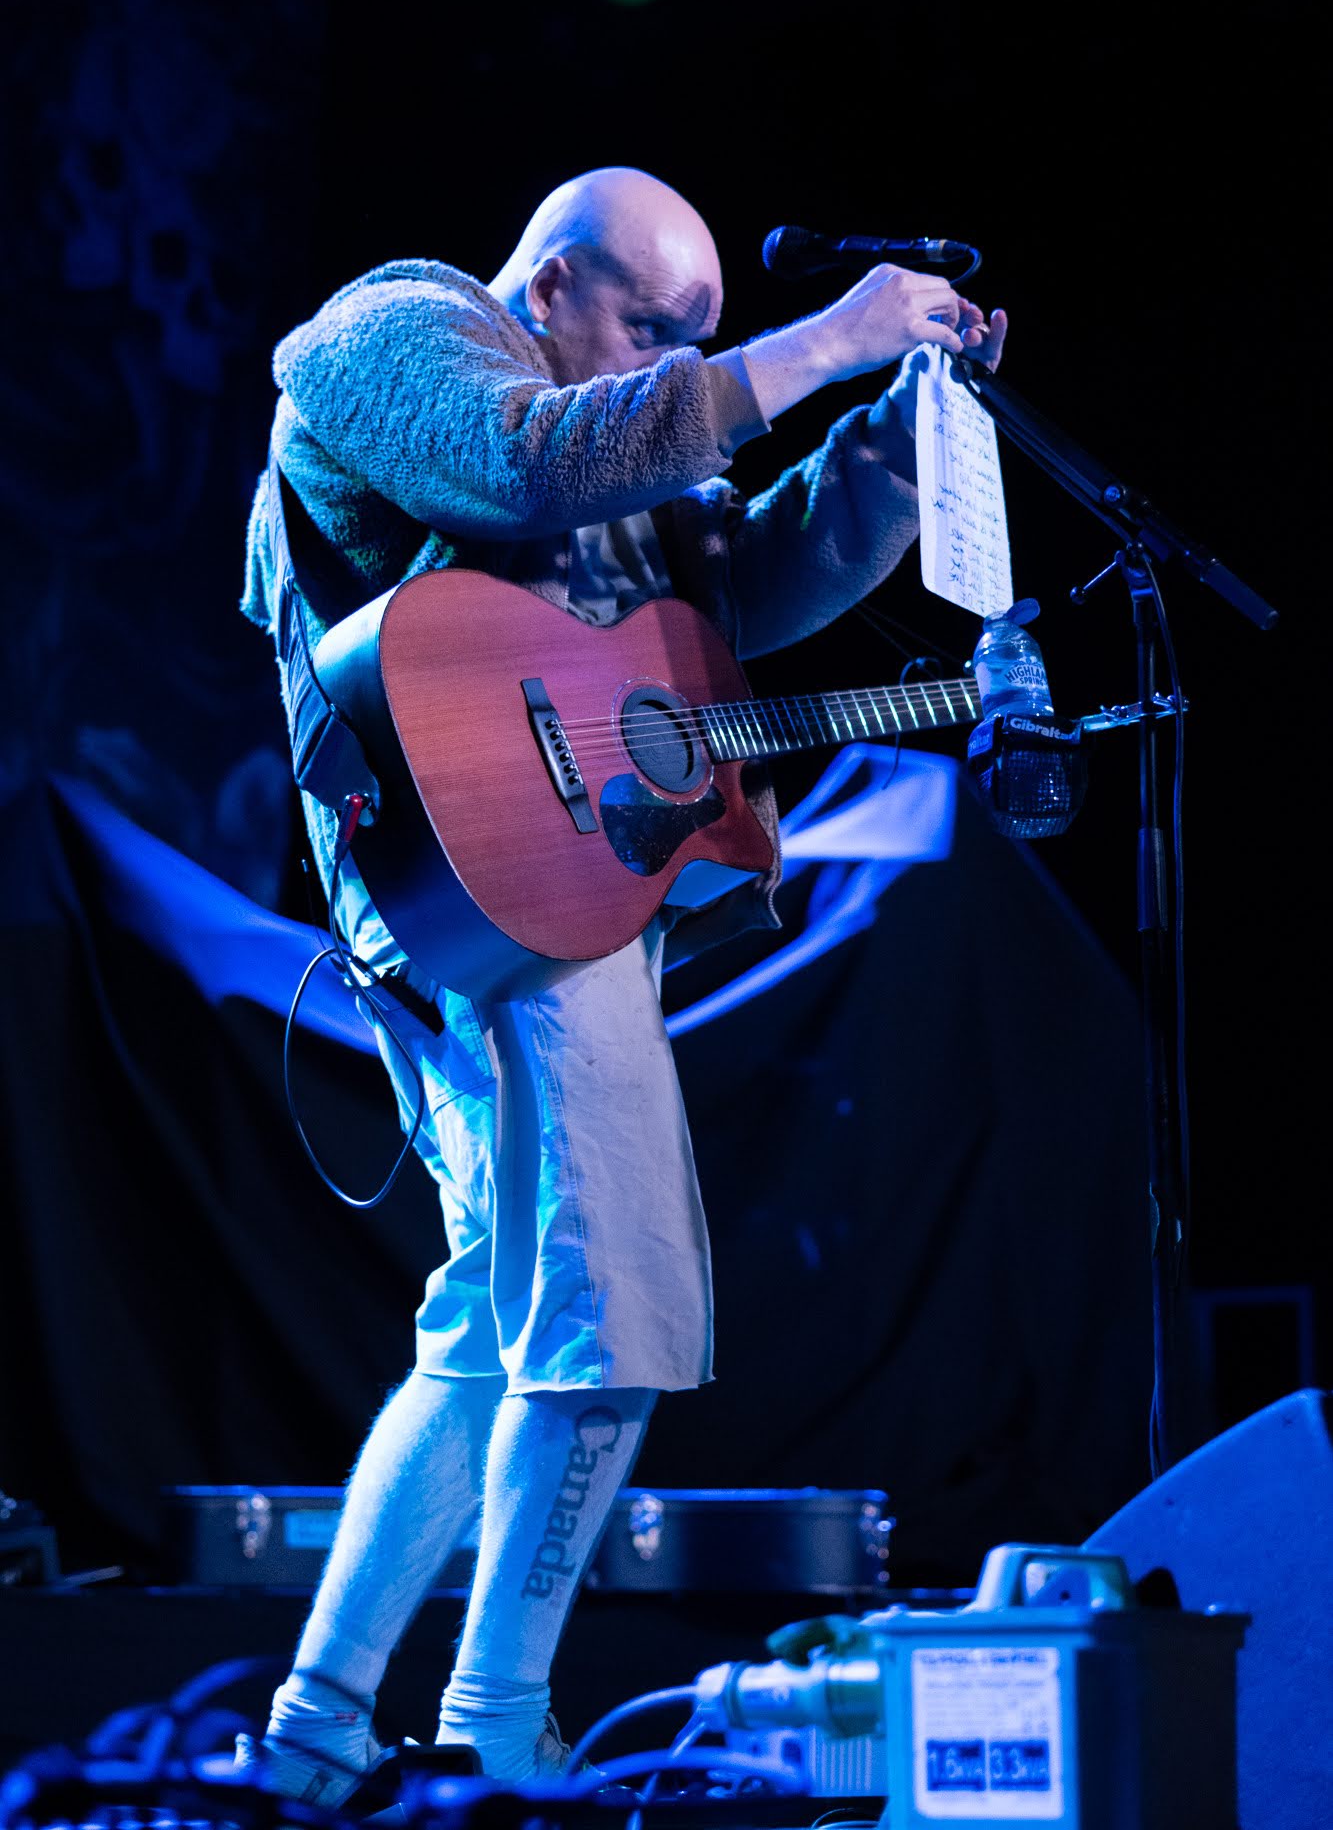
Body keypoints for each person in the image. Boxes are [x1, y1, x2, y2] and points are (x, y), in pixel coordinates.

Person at [236, 166, 1006, 1797]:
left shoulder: (624, 427)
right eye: (652, 328)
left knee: (492, 1320)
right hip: (474, 878)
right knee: (619, 1305)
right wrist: (818, 342)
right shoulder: (394, 330)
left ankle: (317, 1725)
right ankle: (495, 1725)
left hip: (554, 883)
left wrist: (895, 437)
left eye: (694, 339)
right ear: (549, 284)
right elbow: (522, 465)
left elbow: (740, 595)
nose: (677, 365)